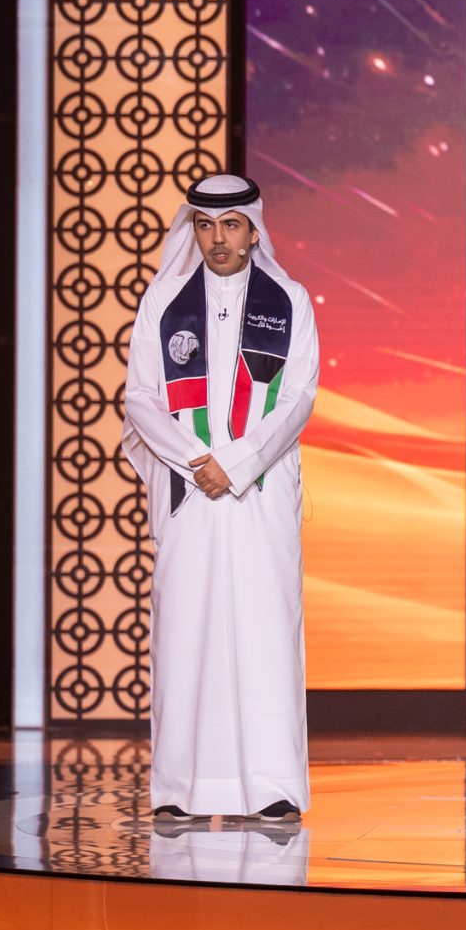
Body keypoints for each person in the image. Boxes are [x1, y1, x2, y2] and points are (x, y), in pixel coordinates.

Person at [121, 172, 320, 821]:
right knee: (185, 631)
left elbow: (298, 398)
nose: (218, 239)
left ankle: (274, 786)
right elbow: (140, 397)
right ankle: (179, 788)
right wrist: (195, 460)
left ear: (253, 230)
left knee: (266, 629)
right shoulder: (163, 300)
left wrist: (233, 464)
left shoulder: (289, 300)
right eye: (205, 226)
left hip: (259, 490)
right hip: (188, 492)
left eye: (231, 225)